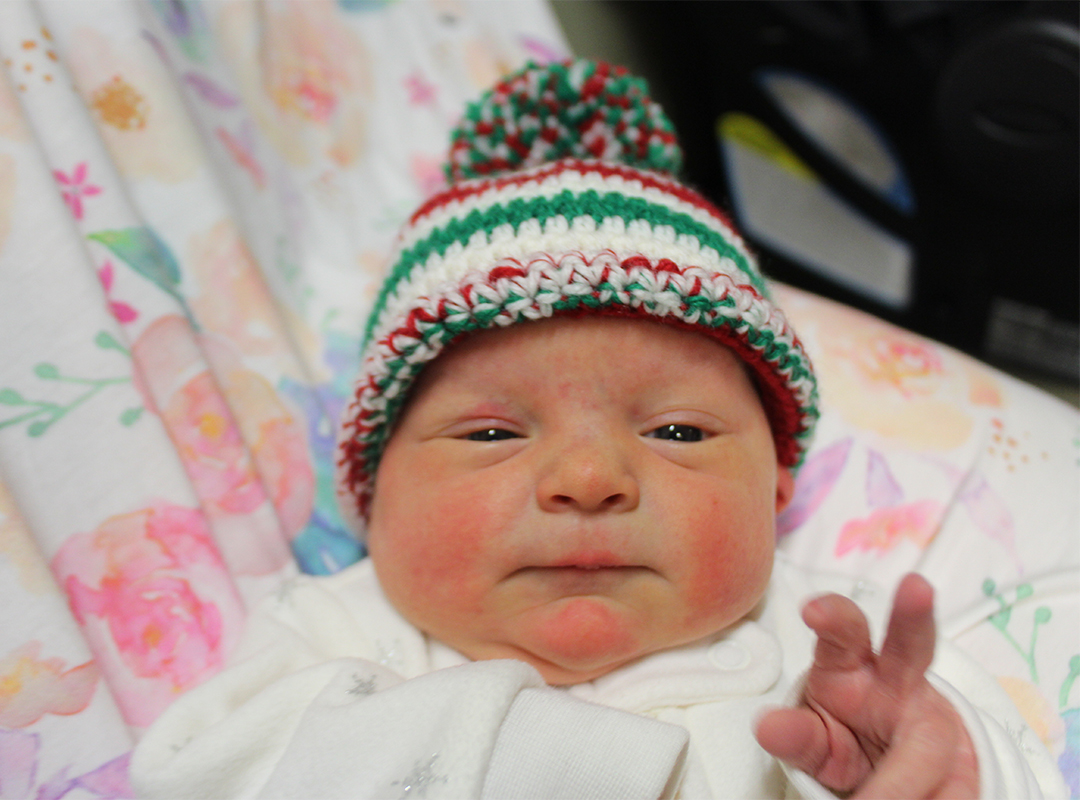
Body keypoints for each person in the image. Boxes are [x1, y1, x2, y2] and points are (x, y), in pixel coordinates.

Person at [130, 60, 1065, 799]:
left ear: (775, 492)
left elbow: (996, 770)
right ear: (372, 496)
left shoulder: (835, 651)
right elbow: (198, 773)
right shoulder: (330, 634)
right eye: (490, 435)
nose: (587, 476)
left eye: (680, 433)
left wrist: (953, 774)